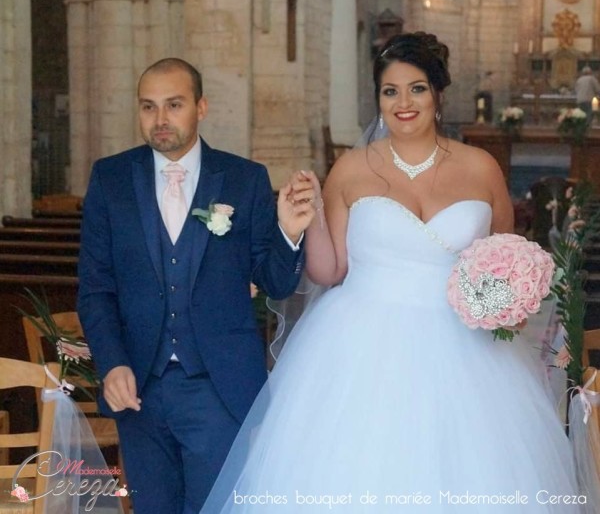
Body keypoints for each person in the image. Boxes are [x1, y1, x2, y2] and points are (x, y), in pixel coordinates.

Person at [200, 33, 586, 512]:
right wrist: (305, 219)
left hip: (467, 350)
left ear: (437, 93)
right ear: (379, 99)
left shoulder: (481, 167)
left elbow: (501, 254)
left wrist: (505, 297)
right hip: (360, 344)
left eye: (416, 88)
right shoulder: (352, 168)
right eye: (390, 91)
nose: (403, 102)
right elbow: (328, 270)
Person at [77, 57, 316, 514]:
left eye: (173, 105)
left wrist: (288, 232)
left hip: (218, 387)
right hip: (139, 391)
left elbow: (276, 282)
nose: (160, 119)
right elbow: (96, 288)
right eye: (148, 107)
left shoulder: (244, 180)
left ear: (201, 107)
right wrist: (112, 364)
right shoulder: (110, 180)